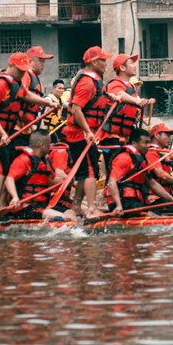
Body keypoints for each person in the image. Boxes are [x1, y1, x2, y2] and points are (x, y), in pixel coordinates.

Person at [0, 52, 53, 211]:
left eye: (24, 70)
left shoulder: (17, 83)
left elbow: (27, 95)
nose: (22, 73)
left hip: (6, 133)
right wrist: (3, 133)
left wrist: (46, 102)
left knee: (7, 168)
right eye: (19, 69)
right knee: (0, 170)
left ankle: (3, 204)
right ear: (11, 65)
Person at [65, 46, 111, 219]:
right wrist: (87, 131)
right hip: (80, 134)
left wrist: (110, 97)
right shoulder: (87, 82)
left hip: (81, 133)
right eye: (103, 60)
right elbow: (77, 109)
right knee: (91, 171)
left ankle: (76, 205)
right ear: (93, 62)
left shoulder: (94, 81)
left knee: (85, 171)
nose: (106, 64)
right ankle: (92, 209)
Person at [105, 128, 173, 217]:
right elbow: (111, 182)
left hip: (133, 202)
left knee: (160, 215)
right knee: (155, 217)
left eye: (149, 142)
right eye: (145, 143)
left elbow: (152, 184)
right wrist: (118, 205)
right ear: (134, 143)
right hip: (122, 202)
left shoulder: (141, 160)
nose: (148, 145)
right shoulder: (124, 158)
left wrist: (171, 199)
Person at [4, 129, 76, 221]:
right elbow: (9, 179)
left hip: (42, 205)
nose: (51, 146)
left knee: (71, 213)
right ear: (42, 145)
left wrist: (67, 181)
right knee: (65, 218)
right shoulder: (24, 159)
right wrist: (15, 197)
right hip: (25, 207)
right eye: (49, 144)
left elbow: (51, 180)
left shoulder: (46, 161)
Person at [100, 53, 155, 145]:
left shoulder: (131, 87)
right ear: (122, 68)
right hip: (112, 135)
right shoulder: (114, 83)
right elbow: (120, 94)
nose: (135, 66)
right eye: (131, 63)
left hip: (126, 135)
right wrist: (137, 101)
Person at [16, 46, 55, 146]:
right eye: (40, 60)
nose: (43, 64)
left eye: (44, 61)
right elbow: (22, 94)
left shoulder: (35, 77)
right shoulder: (26, 74)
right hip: (18, 127)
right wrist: (47, 102)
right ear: (31, 60)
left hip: (28, 126)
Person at [147, 122, 173, 194]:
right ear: (157, 135)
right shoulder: (150, 152)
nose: (170, 138)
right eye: (167, 135)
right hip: (155, 196)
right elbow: (160, 174)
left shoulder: (162, 152)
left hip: (165, 194)